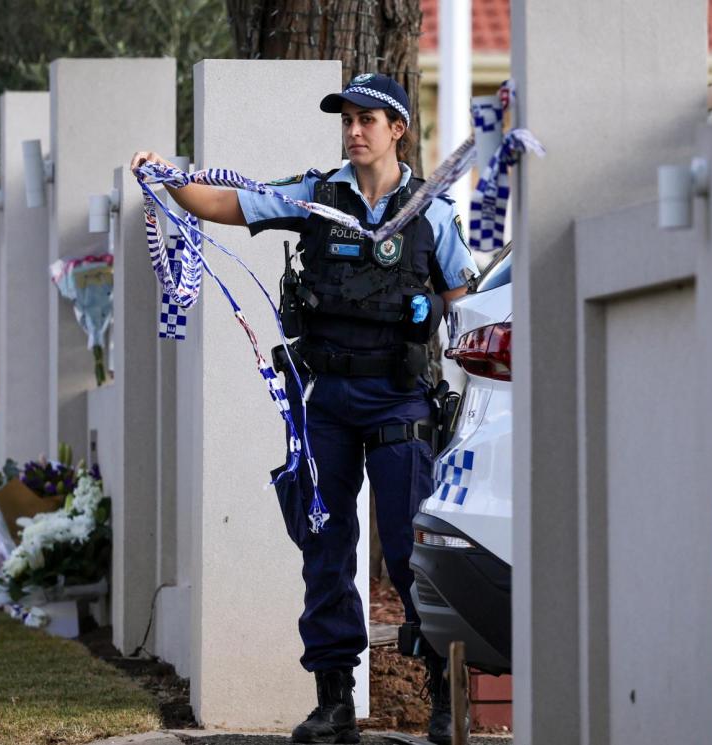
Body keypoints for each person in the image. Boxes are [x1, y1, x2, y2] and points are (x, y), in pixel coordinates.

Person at [131, 72, 476, 745]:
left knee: (412, 553)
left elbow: (466, 295)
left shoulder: (431, 211)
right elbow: (230, 203)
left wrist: (431, 308)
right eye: (346, 119)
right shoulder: (317, 197)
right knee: (324, 549)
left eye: (366, 120)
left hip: (401, 399)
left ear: (397, 129)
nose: (353, 131)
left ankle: (442, 695)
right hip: (329, 403)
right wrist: (168, 179)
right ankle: (333, 700)